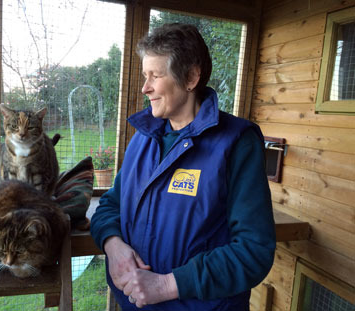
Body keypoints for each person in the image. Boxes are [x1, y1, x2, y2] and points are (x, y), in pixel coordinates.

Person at [90, 23, 276, 311]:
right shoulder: (143, 138)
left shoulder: (237, 142)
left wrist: (166, 285)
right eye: (144, 75)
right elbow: (111, 205)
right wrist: (114, 247)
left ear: (190, 77)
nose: (145, 87)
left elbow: (254, 251)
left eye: (156, 75)